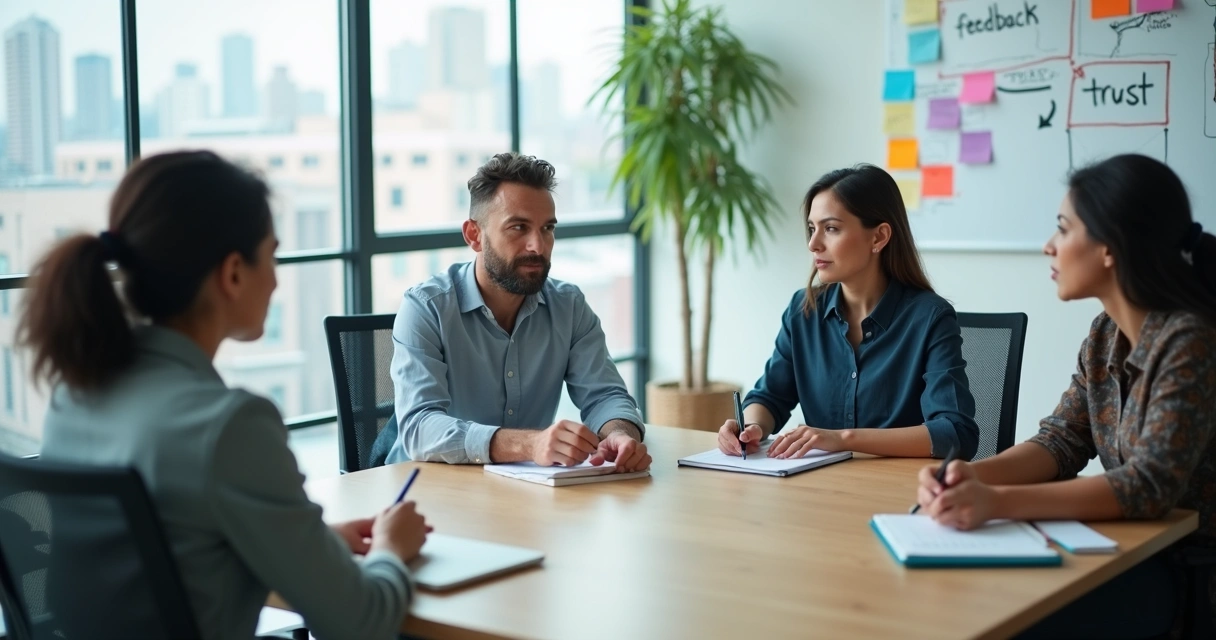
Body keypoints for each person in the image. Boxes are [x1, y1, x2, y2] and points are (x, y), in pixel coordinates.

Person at [17, 151, 429, 640]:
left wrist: (312, 545)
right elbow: (360, 624)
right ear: (233, 273)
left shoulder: (73, 395)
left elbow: (165, 555)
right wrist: (390, 549)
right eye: (271, 256)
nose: (276, 279)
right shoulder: (230, 426)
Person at [914, 154, 1216, 638]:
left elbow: (1148, 485)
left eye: (1062, 228)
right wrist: (968, 475)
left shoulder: (1190, 341)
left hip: (1187, 572)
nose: (1048, 246)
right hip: (1129, 550)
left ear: (1110, 247)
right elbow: (1061, 441)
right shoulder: (1104, 334)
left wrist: (995, 502)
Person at [387, 152, 650, 472]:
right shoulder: (426, 308)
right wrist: (529, 444)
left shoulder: (568, 306)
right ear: (474, 235)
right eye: (518, 227)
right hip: (424, 487)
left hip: (523, 489)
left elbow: (605, 395)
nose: (538, 246)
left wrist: (619, 434)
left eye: (547, 228)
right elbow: (419, 427)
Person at [717, 164, 979, 461]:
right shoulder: (803, 311)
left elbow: (955, 433)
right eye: (812, 229)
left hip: (899, 485)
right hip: (821, 483)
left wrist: (842, 439)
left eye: (831, 229)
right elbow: (770, 397)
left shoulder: (931, 318)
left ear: (878, 237)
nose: (813, 244)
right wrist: (750, 427)